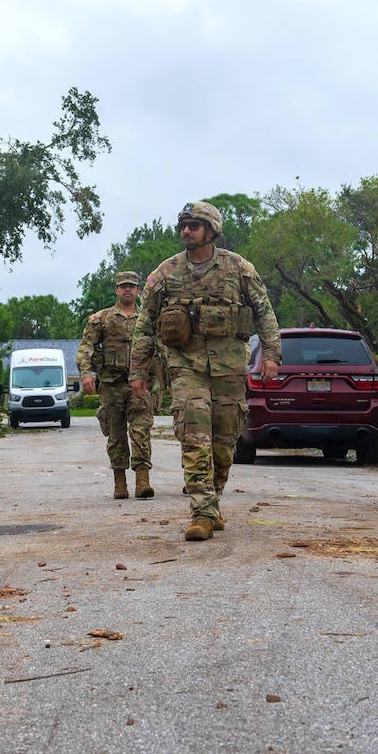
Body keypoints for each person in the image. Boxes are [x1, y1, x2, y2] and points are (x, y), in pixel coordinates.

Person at [131, 202, 281, 541]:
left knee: (225, 440)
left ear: (211, 230)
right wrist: (138, 370)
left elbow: (264, 312)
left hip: (229, 365)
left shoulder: (238, 267)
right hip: (186, 366)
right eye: (183, 225)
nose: (186, 230)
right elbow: (144, 325)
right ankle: (201, 512)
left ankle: (212, 502)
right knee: (194, 434)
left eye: (194, 225)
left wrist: (271, 353)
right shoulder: (166, 273)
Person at [78, 271, 156, 500]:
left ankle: (143, 481)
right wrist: (85, 374)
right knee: (115, 435)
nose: (127, 290)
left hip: (139, 385)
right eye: (123, 286)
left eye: (132, 286)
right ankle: (120, 483)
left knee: (141, 430)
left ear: (139, 290)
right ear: (116, 290)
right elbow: (86, 347)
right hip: (111, 386)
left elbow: (162, 350)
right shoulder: (101, 319)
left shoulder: (147, 319)